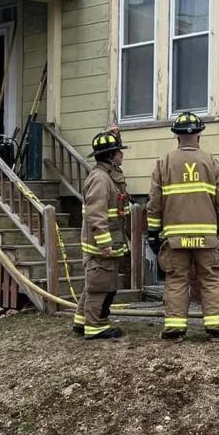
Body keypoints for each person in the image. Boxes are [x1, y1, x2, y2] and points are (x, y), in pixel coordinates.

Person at [146, 111, 219, 341]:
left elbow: (154, 204)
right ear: (199, 136)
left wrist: (153, 234)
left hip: (175, 239)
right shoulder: (212, 162)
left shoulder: (163, 163)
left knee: (176, 280)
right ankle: (216, 328)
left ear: (176, 138)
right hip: (207, 237)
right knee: (212, 279)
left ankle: (174, 329)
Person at [72, 128, 130, 340]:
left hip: (108, 241)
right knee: (99, 286)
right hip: (101, 245)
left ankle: (81, 322)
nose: (122, 155)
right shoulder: (100, 179)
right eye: (118, 151)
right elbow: (96, 214)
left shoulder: (106, 176)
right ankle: (95, 326)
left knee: (94, 284)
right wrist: (105, 243)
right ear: (111, 157)